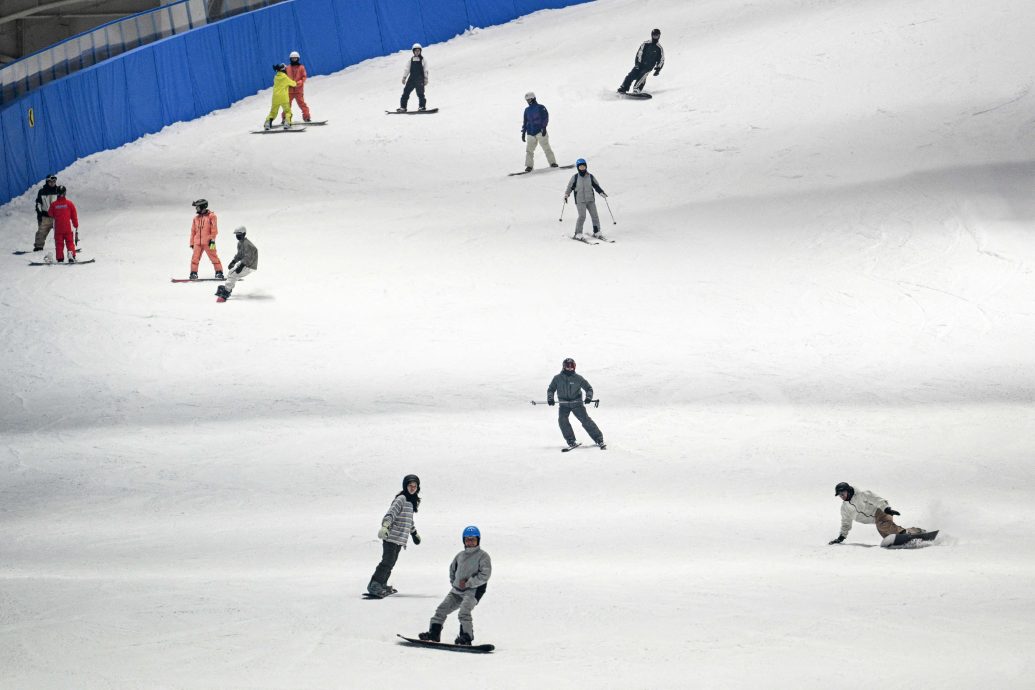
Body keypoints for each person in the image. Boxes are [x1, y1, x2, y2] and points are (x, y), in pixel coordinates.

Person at [417, 525, 492, 646]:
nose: (470, 542)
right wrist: (455, 583)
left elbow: (485, 575)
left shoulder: (483, 556)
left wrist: (469, 583)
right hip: (456, 591)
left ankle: (466, 636)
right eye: (467, 539)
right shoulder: (459, 556)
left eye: (473, 539)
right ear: (464, 541)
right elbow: (452, 570)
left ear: (478, 540)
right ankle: (434, 634)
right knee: (441, 610)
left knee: (464, 612)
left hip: (473, 591)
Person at [367, 474, 422, 598]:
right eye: (410, 485)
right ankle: (374, 584)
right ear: (405, 486)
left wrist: (414, 533)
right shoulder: (401, 499)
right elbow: (391, 514)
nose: (412, 488)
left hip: (399, 540)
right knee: (387, 562)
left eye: (415, 486)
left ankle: (382, 583)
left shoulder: (411, 502)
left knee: (391, 563)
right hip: (391, 537)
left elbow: (409, 521)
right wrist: (385, 526)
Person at [829, 482, 925, 544]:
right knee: (890, 538)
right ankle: (915, 531)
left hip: (881, 511)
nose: (841, 496)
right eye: (839, 495)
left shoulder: (862, 494)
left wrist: (886, 508)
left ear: (848, 491)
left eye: (843, 493)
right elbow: (846, 523)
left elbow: (876, 499)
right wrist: (842, 537)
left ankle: (906, 533)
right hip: (876, 520)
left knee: (882, 525)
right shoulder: (845, 508)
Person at [547, 358, 605, 449]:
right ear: (564, 367)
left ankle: (599, 439)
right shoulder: (557, 378)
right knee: (562, 420)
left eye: (572, 367)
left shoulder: (578, 378)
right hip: (564, 404)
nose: (570, 369)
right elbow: (551, 390)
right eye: (568, 367)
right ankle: (571, 440)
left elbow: (588, 388)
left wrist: (588, 397)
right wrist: (550, 398)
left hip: (576, 403)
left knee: (585, 420)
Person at [563, 159, 608, 239]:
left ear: (586, 166)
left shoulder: (590, 176)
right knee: (582, 216)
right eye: (580, 166)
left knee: (595, 216)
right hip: (580, 201)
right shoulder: (575, 177)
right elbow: (570, 187)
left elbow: (596, 186)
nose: (582, 168)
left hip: (590, 200)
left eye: (583, 166)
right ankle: (578, 233)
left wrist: (601, 192)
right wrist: (567, 194)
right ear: (578, 167)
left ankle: (597, 232)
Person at [215, 226, 258, 301]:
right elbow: (239, 255)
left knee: (233, 275)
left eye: (239, 234)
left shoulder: (247, 244)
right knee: (231, 272)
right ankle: (227, 287)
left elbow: (248, 257)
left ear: (244, 234)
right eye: (236, 234)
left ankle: (226, 292)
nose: (237, 236)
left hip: (249, 265)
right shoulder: (240, 243)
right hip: (245, 263)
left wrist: (241, 266)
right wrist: (233, 261)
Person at [617, 28, 665, 94]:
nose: (655, 37)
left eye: (657, 35)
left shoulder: (659, 48)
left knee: (642, 75)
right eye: (654, 35)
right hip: (640, 64)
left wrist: (658, 69)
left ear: (659, 36)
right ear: (651, 35)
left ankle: (636, 89)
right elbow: (639, 53)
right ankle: (623, 88)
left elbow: (661, 59)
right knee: (631, 75)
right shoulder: (645, 44)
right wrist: (637, 63)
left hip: (648, 67)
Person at [521, 92, 558, 173]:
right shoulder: (527, 110)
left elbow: (545, 117)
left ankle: (553, 163)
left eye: (529, 99)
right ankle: (529, 166)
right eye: (527, 100)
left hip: (540, 131)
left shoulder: (541, 107)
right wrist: (523, 132)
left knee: (546, 148)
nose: (528, 101)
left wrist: (544, 128)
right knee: (529, 150)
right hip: (530, 132)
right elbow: (525, 122)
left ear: (533, 98)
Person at [188, 199, 223, 280]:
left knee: (214, 257)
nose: (196, 208)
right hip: (197, 243)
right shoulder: (195, 218)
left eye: (197, 207)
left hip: (209, 242)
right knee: (195, 258)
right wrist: (192, 242)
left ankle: (219, 272)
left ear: (202, 206)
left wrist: (212, 240)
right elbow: (193, 231)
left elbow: (214, 230)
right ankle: (193, 273)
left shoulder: (212, 216)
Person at [47, 186, 78, 263]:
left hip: (58, 228)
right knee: (70, 242)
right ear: (65, 193)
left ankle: (60, 258)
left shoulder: (54, 205)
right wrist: (76, 225)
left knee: (59, 244)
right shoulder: (69, 204)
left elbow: (50, 214)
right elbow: (74, 216)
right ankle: (71, 254)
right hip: (67, 227)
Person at [280, 51, 311, 124]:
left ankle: (307, 117)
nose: (294, 59)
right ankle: (285, 118)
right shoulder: (287, 68)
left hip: (298, 90)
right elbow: (284, 77)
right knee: (287, 105)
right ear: (290, 59)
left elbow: (304, 77)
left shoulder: (301, 67)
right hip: (289, 91)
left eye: (295, 58)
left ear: (298, 59)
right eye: (293, 58)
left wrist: (300, 82)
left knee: (302, 104)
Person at [264, 63, 297, 131]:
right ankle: (287, 123)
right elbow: (293, 84)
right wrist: (295, 82)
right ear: (284, 70)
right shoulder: (285, 77)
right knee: (288, 111)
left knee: (273, 112)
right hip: (283, 98)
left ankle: (267, 122)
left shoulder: (275, 77)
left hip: (275, 98)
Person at [33, 174, 61, 251]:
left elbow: (62, 203)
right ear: (47, 182)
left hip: (56, 217)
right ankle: (38, 246)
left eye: (54, 181)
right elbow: (38, 203)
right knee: (41, 231)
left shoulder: (58, 190)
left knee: (60, 232)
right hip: (45, 216)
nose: (52, 183)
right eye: (50, 182)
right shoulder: (42, 191)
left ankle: (60, 246)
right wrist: (40, 213)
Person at [398, 43, 428, 112]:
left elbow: (425, 70)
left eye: (418, 51)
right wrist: (404, 77)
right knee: (406, 92)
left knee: (420, 93)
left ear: (420, 51)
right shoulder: (411, 60)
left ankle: (422, 107)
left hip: (419, 79)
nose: (417, 52)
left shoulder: (423, 60)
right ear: (413, 51)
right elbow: (407, 69)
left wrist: (426, 78)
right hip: (411, 79)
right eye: (416, 51)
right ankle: (403, 107)